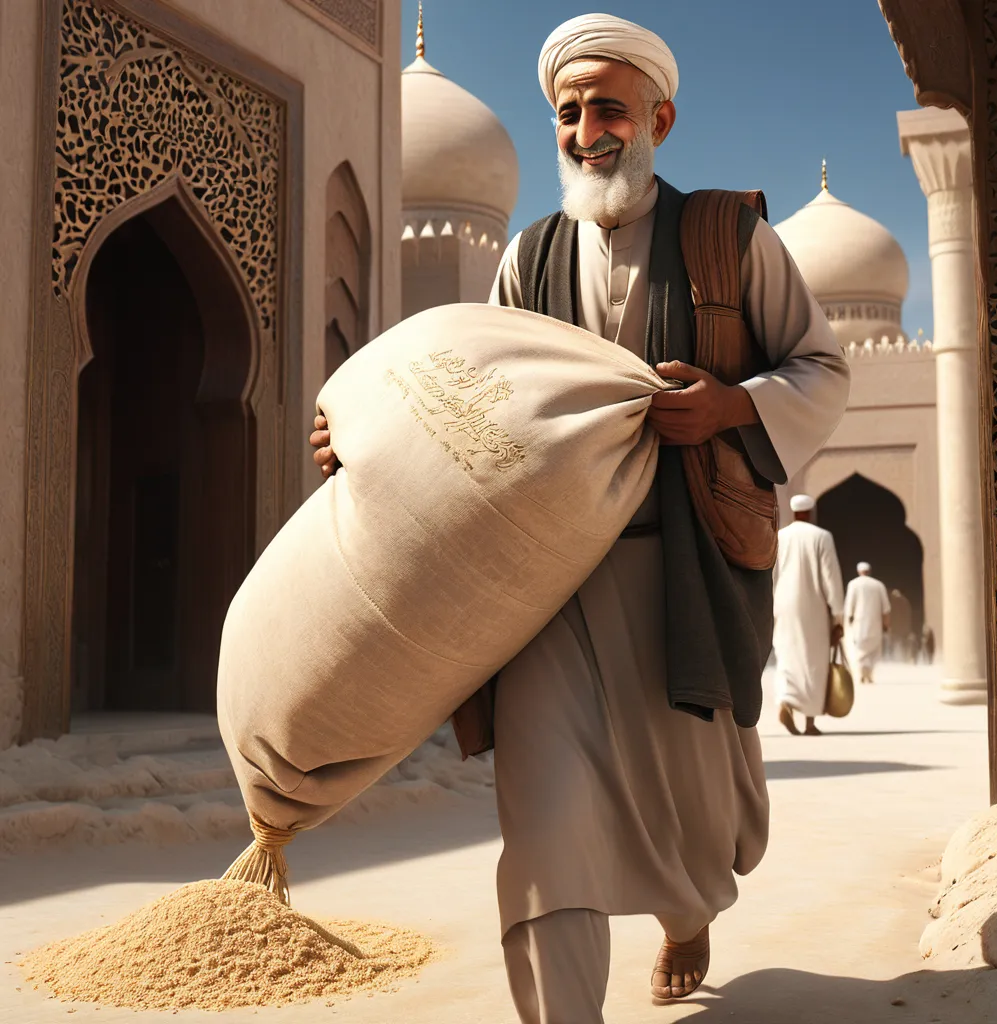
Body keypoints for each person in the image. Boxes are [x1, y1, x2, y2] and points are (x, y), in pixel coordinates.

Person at [311, 13, 849, 1022]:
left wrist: (732, 405)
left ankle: (687, 910)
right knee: (547, 824)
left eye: (610, 107)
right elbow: (471, 403)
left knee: (702, 829)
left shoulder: (730, 238)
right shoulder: (528, 256)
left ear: (660, 117)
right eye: (568, 111)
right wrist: (365, 438)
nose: (588, 130)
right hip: (551, 587)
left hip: (683, 573)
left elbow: (819, 366)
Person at [772, 495, 845, 736]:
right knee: (813, 663)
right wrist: (838, 617)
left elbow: (769, 575)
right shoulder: (821, 537)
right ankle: (810, 722)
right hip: (813, 608)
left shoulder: (780, 537)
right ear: (810, 512)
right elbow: (830, 577)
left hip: (783, 606)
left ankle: (786, 701)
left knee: (787, 658)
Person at [844, 562, 891, 684]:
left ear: (859, 571)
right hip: (875, 623)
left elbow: (849, 605)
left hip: (858, 623)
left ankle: (862, 673)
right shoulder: (878, 585)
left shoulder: (853, 584)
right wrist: (886, 624)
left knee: (859, 649)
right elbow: (885, 608)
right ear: (869, 571)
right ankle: (868, 673)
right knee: (873, 649)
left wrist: (849, 619)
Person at [888, 588, 912, 661]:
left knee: (894, 644)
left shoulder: (893, 602)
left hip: (896, 627)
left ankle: (893, 659)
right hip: (902, 627)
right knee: (902, 644)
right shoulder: (905, 601)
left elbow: (891, 615)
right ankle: (905, 658)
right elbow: (908, 614)